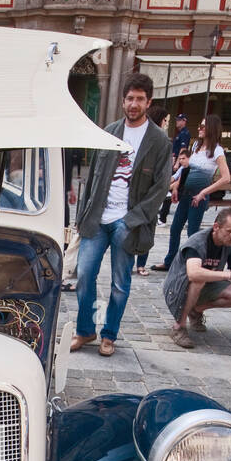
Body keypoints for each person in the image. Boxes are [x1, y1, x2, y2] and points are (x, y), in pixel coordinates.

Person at [70, 72, 172, 357]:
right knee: (84, 276)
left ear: (149, 102)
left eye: (140, 99)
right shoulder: (109, 131)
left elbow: (160, 187)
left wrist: (131, 219)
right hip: (98, 218)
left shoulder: (159, 141)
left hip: (128, 221)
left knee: (119, 283)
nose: (134, 104)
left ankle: (109, 334)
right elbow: (92, 177)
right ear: (123, 101)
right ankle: (85, 330)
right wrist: (83, 215)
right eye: (130, 98)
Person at [162, 207, 231, 349]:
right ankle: (179, 326)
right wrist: (229, 275)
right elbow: (193, 273)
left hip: (204, 285)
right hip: (177, 289)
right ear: (216, 227)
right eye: (230, 231)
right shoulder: (197, 242)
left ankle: (196, 310)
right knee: (199, 279)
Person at [151, 114, 230, 273]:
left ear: (211, 129)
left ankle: (193, 264)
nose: (199, 129)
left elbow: (226, 178)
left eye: (203, 127)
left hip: (198, 196)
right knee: (175, 228)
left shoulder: (217, 151)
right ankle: (170, 260)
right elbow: (186, 169)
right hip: (186, 194)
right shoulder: (196, 147)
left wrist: (203, 193)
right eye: (200, 126)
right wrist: (176, 187)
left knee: (193, 232)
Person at [134, 107, 170, 274]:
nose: (167, 124)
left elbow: (163, 177)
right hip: (137, 193)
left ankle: (141, 264)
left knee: (147, 231)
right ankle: (136, 264)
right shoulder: (147, 139)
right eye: (166, 121)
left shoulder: (162, 142)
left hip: (151, 196)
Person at [159, 112, 192, 224]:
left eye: (179, 120)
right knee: (167, 187)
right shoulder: (180, 133)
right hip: (174, 162)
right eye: (177, 120)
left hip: (177, 164)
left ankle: (163, 217)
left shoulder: (185, 133)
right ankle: (162, 215)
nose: (177, 122)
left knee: (169, 190)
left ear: (184, 121)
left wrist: (178, 162)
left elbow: (183, 149)